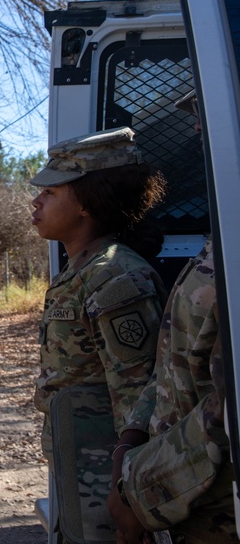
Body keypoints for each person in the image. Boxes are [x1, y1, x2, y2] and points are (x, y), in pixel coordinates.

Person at [107, 91, 238, 543]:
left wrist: (140, 490)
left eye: (209, 115)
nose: (198, 130)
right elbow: (175, 369)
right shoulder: (227, 228)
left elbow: (229, 406)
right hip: (190, 502)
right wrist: (133, 440)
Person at [29, 127, 167, 541]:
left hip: (106, 473)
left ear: (86, 203)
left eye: (51, 193)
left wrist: (125, 490)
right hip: (80, 461)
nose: (36, 201)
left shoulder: (115, 277)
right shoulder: (82, 269)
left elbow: (139, 393)